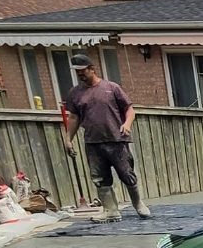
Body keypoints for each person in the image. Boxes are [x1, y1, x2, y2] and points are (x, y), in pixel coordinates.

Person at [62, 55, 151, 220]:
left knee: (127, 174)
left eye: (82, 71)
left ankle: (138, 204)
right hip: (93, 142)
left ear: (92, 69)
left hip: (116, 140)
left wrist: (127, 124)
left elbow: (129, 109)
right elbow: (74, 117)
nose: (80, 75)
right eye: (77, 72)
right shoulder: (75, 93)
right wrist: (68, 139)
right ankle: (111, 210)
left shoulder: (111, 88)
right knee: (100, 177)